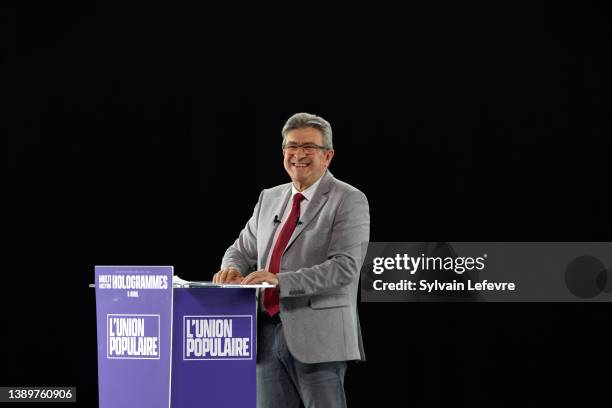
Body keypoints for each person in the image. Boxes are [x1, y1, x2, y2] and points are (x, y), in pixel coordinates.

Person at [213, 112, 369, 408]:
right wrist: (230, 269)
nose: (299, 154)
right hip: (265, 334)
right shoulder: (269, 198)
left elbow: (345, 267)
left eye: (309, 147)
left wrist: (280, 281)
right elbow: (240, 249)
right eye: (291, 146)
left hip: (320, 339)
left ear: (328, 156)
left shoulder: (349, 199)